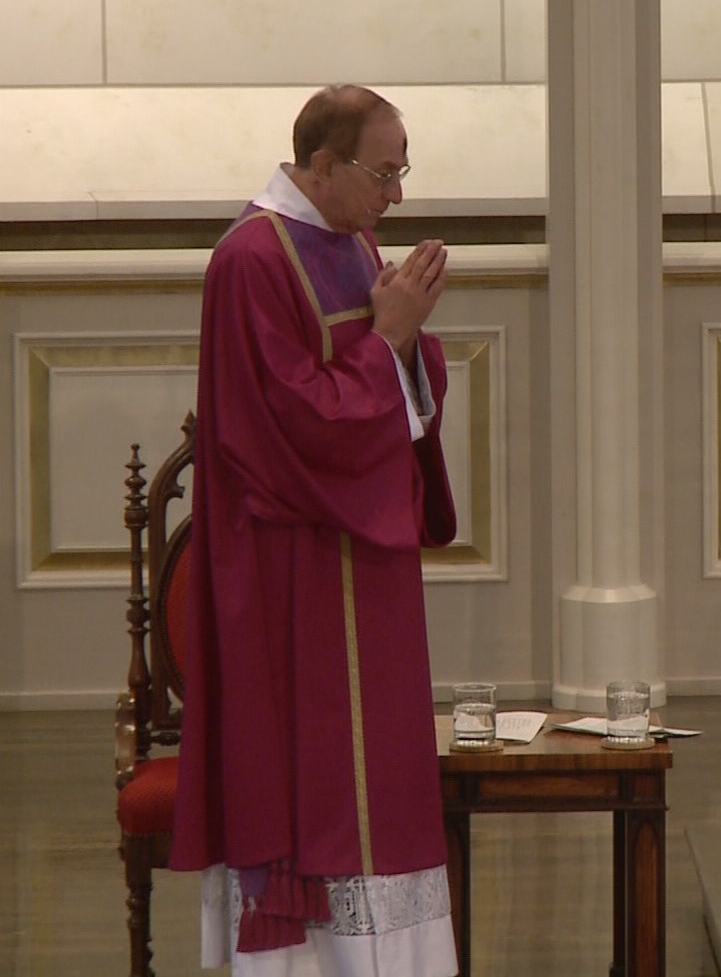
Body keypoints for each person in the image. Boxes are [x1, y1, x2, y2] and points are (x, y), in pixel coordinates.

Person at [171, 84, 460, 975]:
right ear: (324, 164)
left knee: (384, 791)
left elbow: (385, 383)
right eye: (384, 173)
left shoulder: (351, 239)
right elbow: (290, 429)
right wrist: (389, 340)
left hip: (363, 568)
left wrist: (405, 341)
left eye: (403, 172)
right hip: (289, 575)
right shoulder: (250, 261)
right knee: (312, 789)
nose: (396, 195)